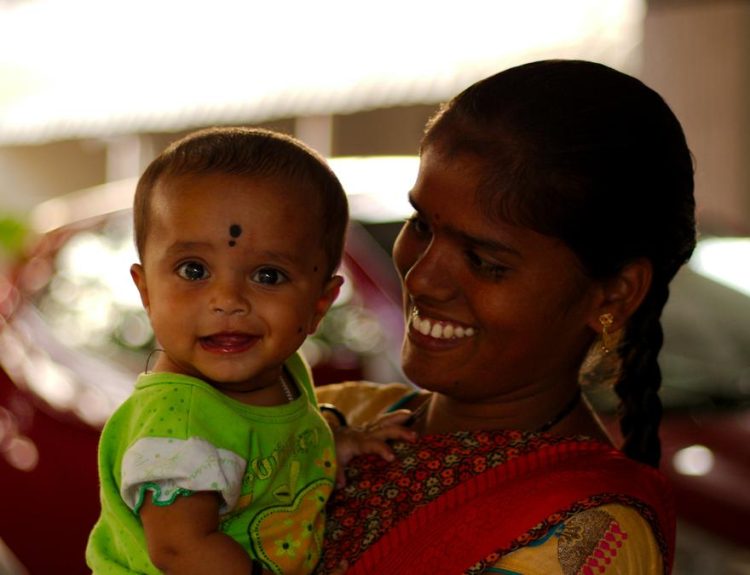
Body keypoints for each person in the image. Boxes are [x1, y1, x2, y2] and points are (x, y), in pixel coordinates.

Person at [314, 59, 695, 574]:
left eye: (484, 262)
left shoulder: (586, 536)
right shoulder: (337, 416)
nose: (422, 279)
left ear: (612, 295)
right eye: (421, 224)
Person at [86, 127, 413, 575]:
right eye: (193, 270)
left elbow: (274, 457)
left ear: (319, 304)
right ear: (146, 291)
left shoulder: (282, 372)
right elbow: (180, 549)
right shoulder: (178, 424)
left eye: (268, 276)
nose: (228, 300)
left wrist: (333, 444)